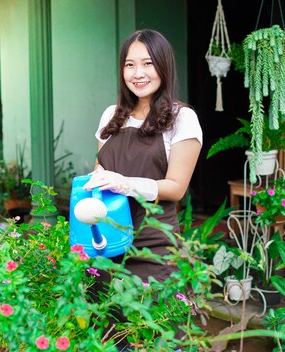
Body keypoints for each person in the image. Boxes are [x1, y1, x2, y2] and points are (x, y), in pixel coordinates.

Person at [83, 28, 202, 333]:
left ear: (164, 66)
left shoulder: (182, 118)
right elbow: (101, 174)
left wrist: (124, 183)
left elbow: (176, 187)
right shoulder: (112, 115)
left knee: (155, 333)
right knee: (109, 333)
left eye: (148, 63)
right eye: (130, 64)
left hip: (154, 244)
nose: (138, 73)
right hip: (106, 244)